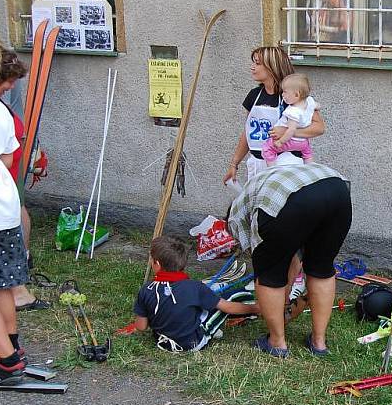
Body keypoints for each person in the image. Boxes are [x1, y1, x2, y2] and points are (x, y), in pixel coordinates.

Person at [228, 163, 352, 358]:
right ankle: (318, 342)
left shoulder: (238, 214)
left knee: (269, 274)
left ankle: (276, 342)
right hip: (338, 191)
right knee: (321, 267)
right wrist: (284, 300)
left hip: (292, 199)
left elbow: (268, 265)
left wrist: (274, 284)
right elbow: (292, 257)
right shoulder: (263, 185)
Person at [132, 236, 260, 352]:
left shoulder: (146, 289)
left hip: (162, 342)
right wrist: (255, 309)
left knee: (201, 304)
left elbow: (141, 326)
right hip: (193, 343)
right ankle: (258, 307)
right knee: (230, 298)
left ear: (157, 264)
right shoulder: (195, 287)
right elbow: (228, 307)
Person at [223, 46, 325, 183]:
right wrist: (234, 164)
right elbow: (248, 132)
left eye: (258, 63)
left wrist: (289, 132)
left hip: (286, 163)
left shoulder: (293, 96)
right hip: (257, 164)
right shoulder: (254, 95)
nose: (252, 67)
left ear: (273, 67)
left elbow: (319, 128)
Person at [0, 44, 46, 311]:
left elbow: (10, 150)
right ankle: (17, 287)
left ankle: (19, 282)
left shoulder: (2, 108)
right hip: (1, 187)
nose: (11, 88)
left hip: (5, 183)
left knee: (16, 212)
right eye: (8, 82)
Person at [0, 44, 32, 379]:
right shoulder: (2, 114)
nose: (8, 89)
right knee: (2, 285)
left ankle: (5, 361)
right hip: (5, 207)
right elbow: (8, 159)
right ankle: (12, 345)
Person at [262, 73, 319, 166]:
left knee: (267, 149)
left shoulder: (292, 111)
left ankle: (272, 170)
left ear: (297, 95)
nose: (282, 94)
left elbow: (291, 130)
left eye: (285, 92)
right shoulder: (309, 102)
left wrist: (281, 141)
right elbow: (318, 106)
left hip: (291, 141)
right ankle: (310, 167)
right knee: (307, 153)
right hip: (303, 142)